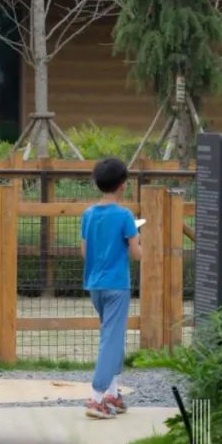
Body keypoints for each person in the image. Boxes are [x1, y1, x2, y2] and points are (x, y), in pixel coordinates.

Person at [80, 158, 141, 419]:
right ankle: (96, 397)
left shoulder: (88, 214)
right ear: (123, 185)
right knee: (111, 341)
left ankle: (112, 395)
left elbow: (84, 251)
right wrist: (139, 241)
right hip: (117, 285)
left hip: (95, 285)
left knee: (110, 338)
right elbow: (137, 253)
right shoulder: (125, 216)